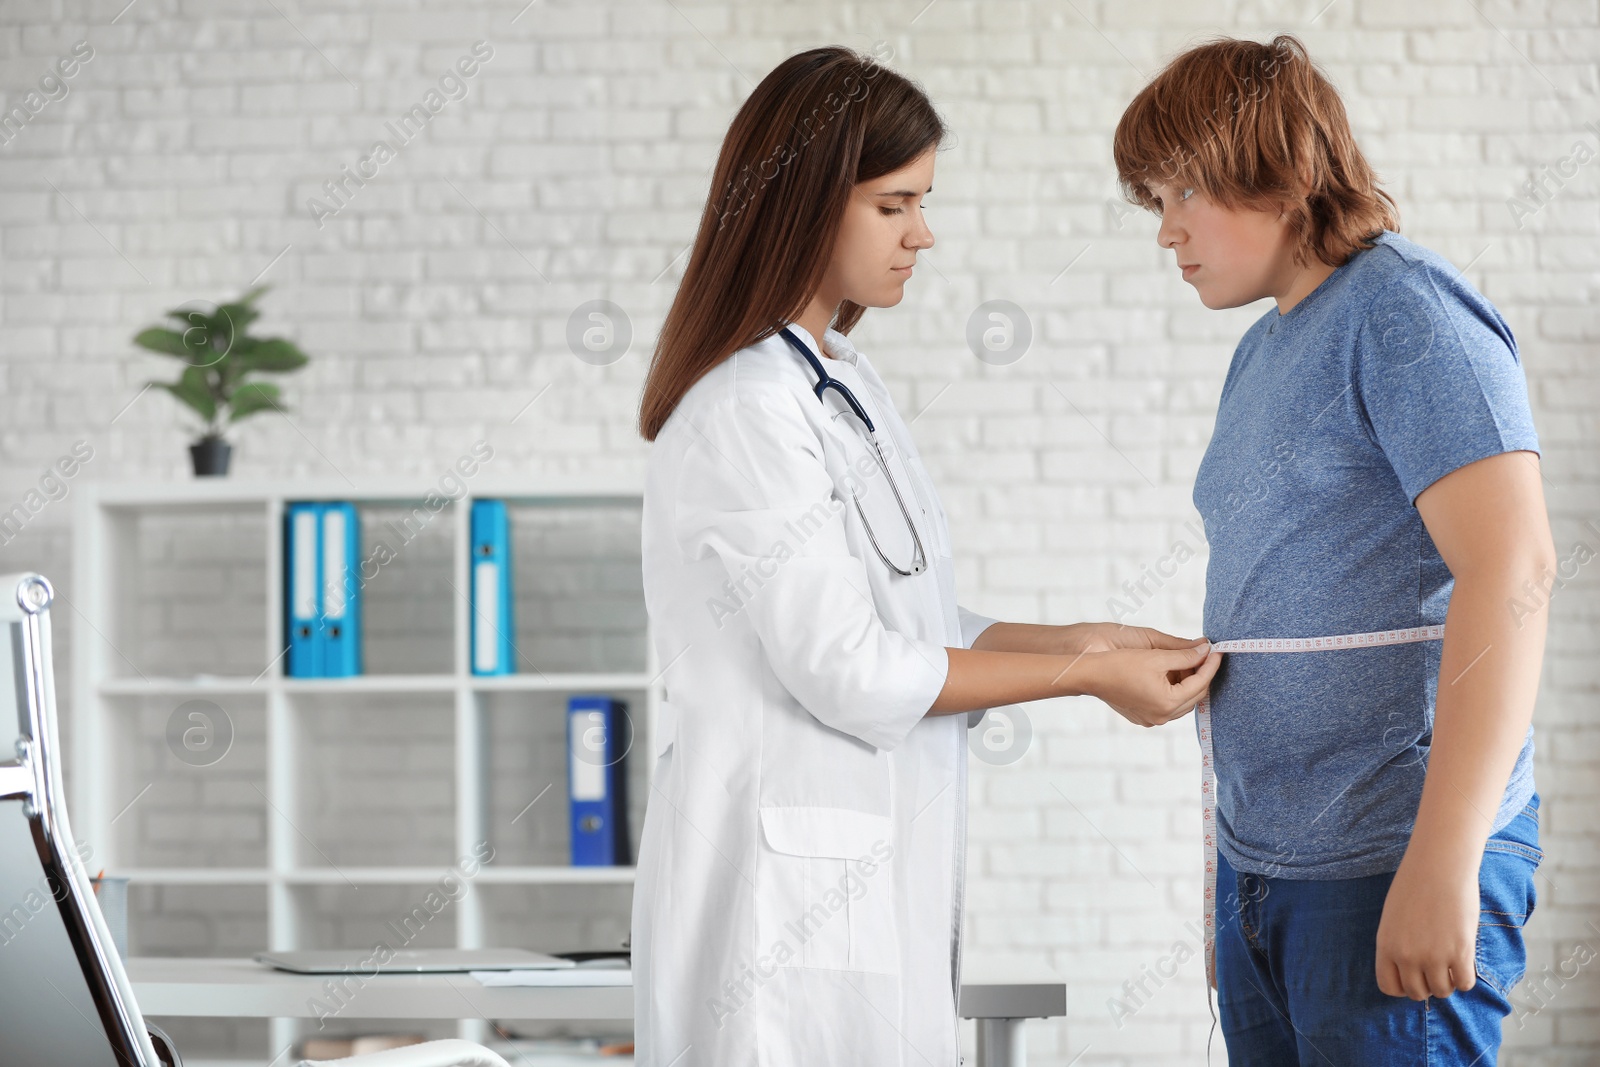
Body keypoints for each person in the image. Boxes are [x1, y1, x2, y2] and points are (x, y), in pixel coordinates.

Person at [632, 45, 1221, 1067]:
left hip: (851, 884)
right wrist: (1085, 676)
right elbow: (850, 668)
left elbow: (915, 625)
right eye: (894, 204)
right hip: (773, 919)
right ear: (806, 204)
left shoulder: (836, 383)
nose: (923, 233)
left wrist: (1088, 635)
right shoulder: (745, 411)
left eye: (922, 202)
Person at [1113, 34, 1556, 1064]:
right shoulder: (1262, 350)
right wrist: (1237, 891)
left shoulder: (1403, 308)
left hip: (1393, 849)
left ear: (1288, 170)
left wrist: (1443, 860)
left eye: (1185, 191)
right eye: (1154, 202)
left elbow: (1514, 567)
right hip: (1267, 870)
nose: (1167, 230)